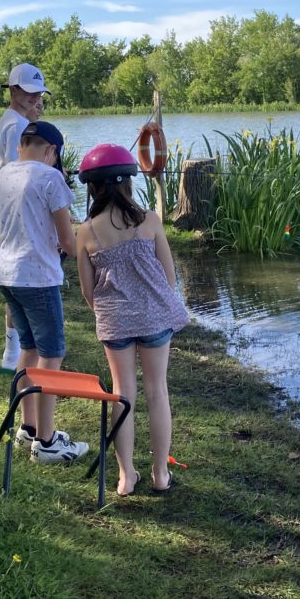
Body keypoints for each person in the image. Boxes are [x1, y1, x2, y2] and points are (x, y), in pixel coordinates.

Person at [75, 144, 189, 496]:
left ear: (93, 188)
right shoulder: (150, 221)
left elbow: (86, 290)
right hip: (155, 317)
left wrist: (109, 312)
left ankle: (126, 478)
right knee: (158, 391)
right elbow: (169, 278)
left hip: (114, 321)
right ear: (128, 184)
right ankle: (160, 474)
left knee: (122, 394)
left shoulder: (87, 231)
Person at [0, 120, 88, 464]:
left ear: (22, 145)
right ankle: (47, 442)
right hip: (38, 278)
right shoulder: (51, 178)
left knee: (28, 348)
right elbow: (68, 241)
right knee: (52, 353)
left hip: (6, 274)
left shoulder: (3, 175)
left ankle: (27, 427)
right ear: (52, 151)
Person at [0, 63, 50, 371]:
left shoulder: (13, 120)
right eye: (28, 92)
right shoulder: (16, 125)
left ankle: (13, 349)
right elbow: (23, 170)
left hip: (10, 201)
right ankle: (19, 349)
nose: (35, 98)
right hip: (20, 205)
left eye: (38, 93)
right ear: (13, 90)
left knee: (15, 272)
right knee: (24, 273)